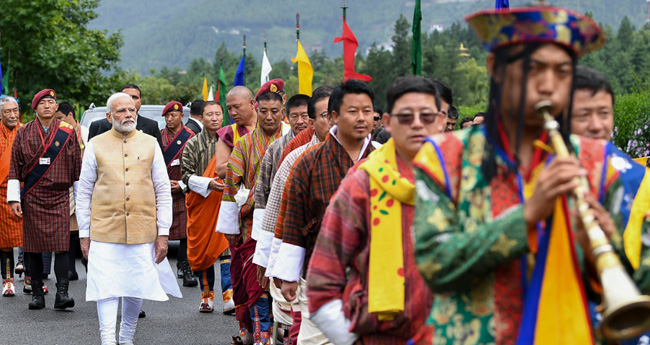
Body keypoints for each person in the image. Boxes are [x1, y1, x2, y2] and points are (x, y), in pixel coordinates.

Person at [413, 6, 650, 344]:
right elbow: (435, 264)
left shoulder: (601, 163)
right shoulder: (444, 156)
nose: (549, 85)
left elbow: (641, 282)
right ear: (495, 68)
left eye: (562, 72)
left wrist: (603, 245)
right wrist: (527, 216)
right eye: (533, 68)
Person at [307, 75, 445, 344]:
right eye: (406, 116)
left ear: (441, 120)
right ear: (389, 122)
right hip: (381, 335)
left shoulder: (464, 181)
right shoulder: (362, 185)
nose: (417, 124)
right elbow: (322, 282)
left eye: (426, 115)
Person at [272, 79, 376, 344]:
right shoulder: (308, 163)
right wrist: (288, 275)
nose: (362, 118)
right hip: (320, 275)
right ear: (333, 116)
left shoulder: (384, 159)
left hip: (375, 274)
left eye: (367, 111)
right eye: (353, 111)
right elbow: (294, 220)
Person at [76, 92, 181, 345]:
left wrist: (163, 233)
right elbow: (84, 192)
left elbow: (162, 190)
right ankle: (107, 340)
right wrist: (84, 234)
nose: (128, 115)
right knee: (106, 288)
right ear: (109, 116)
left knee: (136, 286)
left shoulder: (149, 143)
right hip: (104, 230)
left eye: (131, 110)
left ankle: (126, 338)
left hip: (142, 229)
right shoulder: (95, 144)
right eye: (121, 111)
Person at [571, 65, 650, 345]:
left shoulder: (638, 180)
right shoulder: (540, 176)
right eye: (583, 115)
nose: (596, 125)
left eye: (604, 113)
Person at [216, 88, 290, 345]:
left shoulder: (294, 140)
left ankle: (282, 329)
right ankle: (260, 335)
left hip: (287, 224)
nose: (269, 117)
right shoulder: (243, 144)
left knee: (283, 281)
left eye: (275, 111)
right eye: (264, 111)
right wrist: (233, 224)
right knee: (251, 282)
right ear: (256, 111)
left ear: (283, 113)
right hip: (250, 226)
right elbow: (230, 185)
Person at [261, 89, 333, 345]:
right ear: (313, 123)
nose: (334, 121)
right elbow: (276, 214)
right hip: (307, 265)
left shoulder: (372, 157)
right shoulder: (297, 158)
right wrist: (270, 262)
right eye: (327, 115)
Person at [8, 89, 81, 310]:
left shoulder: (68, 132)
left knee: (61, 246)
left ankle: (62, 294)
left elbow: (77, 167)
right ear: (35, 107)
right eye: (43, 102)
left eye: (51, 102)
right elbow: (14, 166)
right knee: (33, 248)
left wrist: (81, 200)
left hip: (60, 196)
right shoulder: (24, 132)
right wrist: (14, 199)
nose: (48, 106)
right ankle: (37, 294)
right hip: (32, 196)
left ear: (56, 107)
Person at [181, 100, 232, 313]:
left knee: (226, 249)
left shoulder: (231, 141)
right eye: (209, 114)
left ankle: (229, 296)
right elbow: (185, 174)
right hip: (203, 202)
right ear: (201, 117)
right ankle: (207, 295)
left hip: (226, 201)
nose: (214, 118)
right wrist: (208, 184)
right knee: (204, 251)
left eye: (218, 114)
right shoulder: (193, 144)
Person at [160, 101, 196, 285]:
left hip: (183, 189)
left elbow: (197, 167)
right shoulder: (158, 137)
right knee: (160, 230)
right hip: (161, 190)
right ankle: (160, 271)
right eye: (167, 116)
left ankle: (185, 267)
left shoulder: (191, 137)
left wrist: (182, 184)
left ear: (182, 116)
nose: (169, 119)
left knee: (185, 233)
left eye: (173, 115)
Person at [54, 101, 88, 281]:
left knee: (86, 227)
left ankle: (88, 261)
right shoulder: (58, 134)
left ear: (70, 116)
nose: (59, 122)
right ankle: (70, 269)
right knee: (67, 229)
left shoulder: (87, 132)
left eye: (60, 118)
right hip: (66, 186)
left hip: (86, 186)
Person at [88, 84, 163, 149]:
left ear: (140, 101)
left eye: (134, 97)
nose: (130, 100)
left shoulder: (151, 126)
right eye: (126, 96)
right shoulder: (98, 126)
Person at [0, 96, 22, 297]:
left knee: (31, 239)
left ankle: (32, 278)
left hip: (24, 191)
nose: (13, 115)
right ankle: (8, 281)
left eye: (15, 110)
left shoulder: (25, 132)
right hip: (1, 192)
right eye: (8, 111)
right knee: (4, 241)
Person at [216, 86, 260, 179]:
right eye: (229, 108)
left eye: (237, 107)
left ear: (252, 103)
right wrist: (253, 159)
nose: (233, 113)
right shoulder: (228, 133)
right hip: (240, 191)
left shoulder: (268, 126)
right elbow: (220, 170)